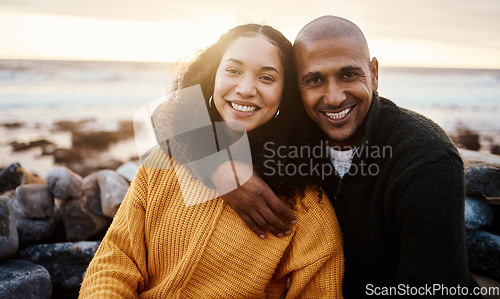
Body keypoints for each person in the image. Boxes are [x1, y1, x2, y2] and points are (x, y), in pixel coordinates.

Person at [220, 16, 480, 297]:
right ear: (297, 86)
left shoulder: (426, 158)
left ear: (374, 74)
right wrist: (215, 167)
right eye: (315, 80)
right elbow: (171, 111)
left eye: (348, 75)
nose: (333, 97)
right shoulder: (288, 132)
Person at [78, 24, 344, 298]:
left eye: (266, 77)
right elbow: (114, 260)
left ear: (285, 93)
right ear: (211, 76)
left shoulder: (305, 204)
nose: (245, 88)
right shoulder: (164, 162)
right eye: (233, 70)